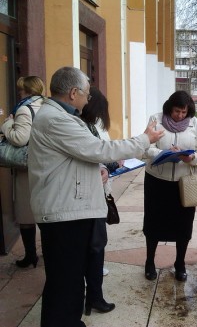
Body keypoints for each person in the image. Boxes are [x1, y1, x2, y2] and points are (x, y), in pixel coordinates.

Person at [27, 66, 164, 327]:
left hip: (68, 208)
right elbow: (99, 148)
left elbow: (75, 158)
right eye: (87, 94)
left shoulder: (63, 116)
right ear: (73, 92)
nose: (89, 99)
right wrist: (144, 139)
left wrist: (100, 168)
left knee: (70, 278)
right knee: (64, 281)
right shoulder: (57, 119)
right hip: (63, 213)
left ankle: (70, 320)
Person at [143, 90, 197, 282]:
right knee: (153, 223)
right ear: (169, 108)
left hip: (184, 183)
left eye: (184, 112)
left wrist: (191, 158)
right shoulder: (155, 119)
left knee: (183, 226)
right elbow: (145, 148)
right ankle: (149, 262)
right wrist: (162, 153)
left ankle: (180, 263)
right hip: (157, 181)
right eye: (176, 111)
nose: (180, 115)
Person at [80, 86, 122, 316]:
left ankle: (94, 296)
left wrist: (106, 167)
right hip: (84, 198)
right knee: (94, 247)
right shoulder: (78, 126)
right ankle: (92, 297)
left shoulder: (90, 126)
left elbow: (101, 156)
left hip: (95, 194)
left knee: (96, 246)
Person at [1, 76, 45, 268]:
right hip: (44, 165)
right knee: (44, 212)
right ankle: (47, 253)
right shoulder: (45, 106)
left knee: (26, 215)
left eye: (21, 89)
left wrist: (7, 124)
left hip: (27, 168)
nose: (19, 92)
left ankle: (30, 256)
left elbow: (19, 138)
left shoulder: (25, 109)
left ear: (27, 90)